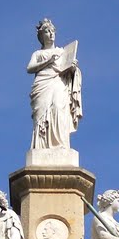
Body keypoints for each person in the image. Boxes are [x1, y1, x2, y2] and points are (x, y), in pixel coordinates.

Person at [26, 18, 82, 150]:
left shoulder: (62, 52)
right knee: (42, 114)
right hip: (43, 84)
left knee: (58, 108)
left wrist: (73, 68)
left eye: (52, 31)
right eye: (47, 31)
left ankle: (60, 144)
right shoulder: (38, 53)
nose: (51, 34)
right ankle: (42, 145)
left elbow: (68, 70)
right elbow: (30, 68)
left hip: (59, 82)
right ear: (42, 35)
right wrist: (48, 61)